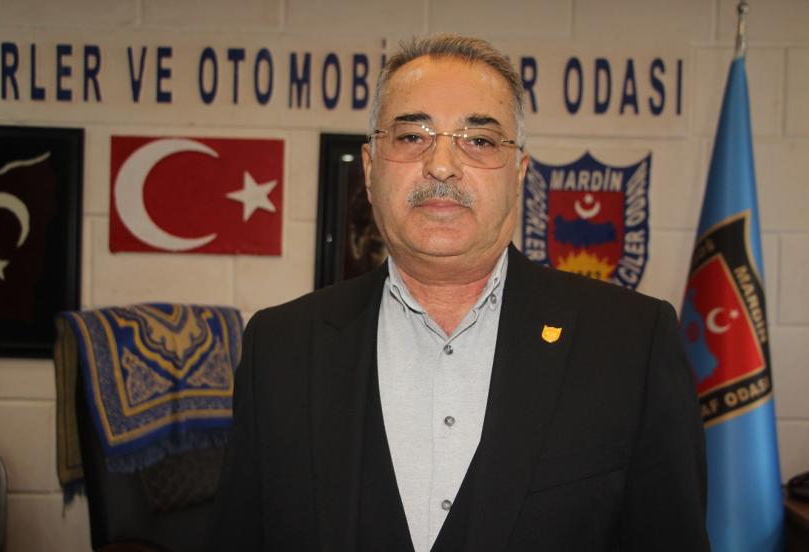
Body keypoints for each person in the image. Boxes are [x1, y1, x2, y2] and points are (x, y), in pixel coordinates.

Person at [207, 34, 709, 551]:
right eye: (412, 136)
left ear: (519, 174)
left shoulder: (632, 344)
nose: (442, 165)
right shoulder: (280, 347)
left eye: (480, 140)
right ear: (371, 169)